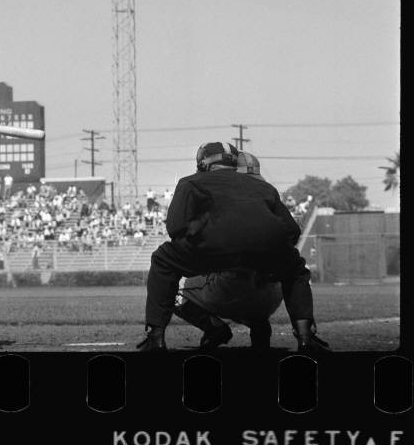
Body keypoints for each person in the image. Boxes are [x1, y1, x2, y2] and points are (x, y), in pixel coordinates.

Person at [139, 142, 329, 354]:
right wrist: (269, 257)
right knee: (295, 269)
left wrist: (200, 240)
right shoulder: (264, 187)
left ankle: (155, 338)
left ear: (203, 162)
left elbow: (175, 227)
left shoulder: (190, 182)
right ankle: (306, 336)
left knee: (162, 260)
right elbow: (292, 230)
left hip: (215, 250)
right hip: (265, 262)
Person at [174, 152, 288, 350]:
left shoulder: (219, 200)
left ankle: (213, 328)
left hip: (230, 289)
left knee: (170, 285)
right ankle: (260, 327)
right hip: (271, 297)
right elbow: (291, 236)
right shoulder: (270, 196)